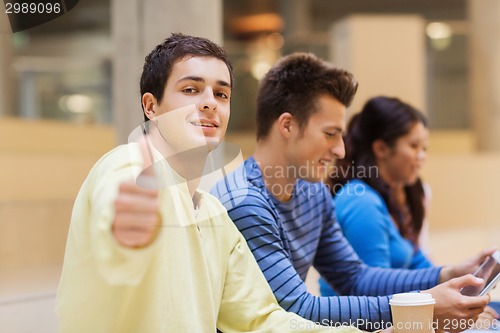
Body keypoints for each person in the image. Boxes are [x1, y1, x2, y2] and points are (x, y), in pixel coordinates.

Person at [55, 34, 374, 333]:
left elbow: (262, 320)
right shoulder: (128, 165)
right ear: (151, 106)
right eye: (191, 89)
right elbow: (119, 207)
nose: (210, 102)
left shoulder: (215, 215)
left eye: (221, 94)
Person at [211, 52, 493, 332]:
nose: (340, 150)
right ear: (287, 125)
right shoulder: (245, 202)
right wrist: (424, 305)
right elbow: (297, 310)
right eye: (330, 133)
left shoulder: (313, 193)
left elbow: (353, 277)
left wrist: (447, 273)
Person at [318, 96, 499, 325]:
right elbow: (372, 299)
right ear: (382, 148)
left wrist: (455, 280)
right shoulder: (361, 202)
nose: (422, 156)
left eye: (424, 148)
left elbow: (419, 266)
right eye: (414, 146)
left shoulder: (393, 199)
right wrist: (446, 314)